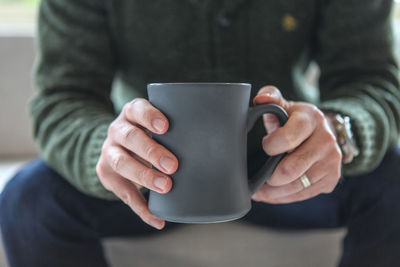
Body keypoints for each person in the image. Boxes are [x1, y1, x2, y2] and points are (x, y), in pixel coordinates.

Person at [1, 0, 400, 266]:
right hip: (151, 173)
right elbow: (63, 100)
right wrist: (105, 153)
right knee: (30, 202)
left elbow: (373, 82)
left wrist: (339, 132)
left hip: (286, 164)